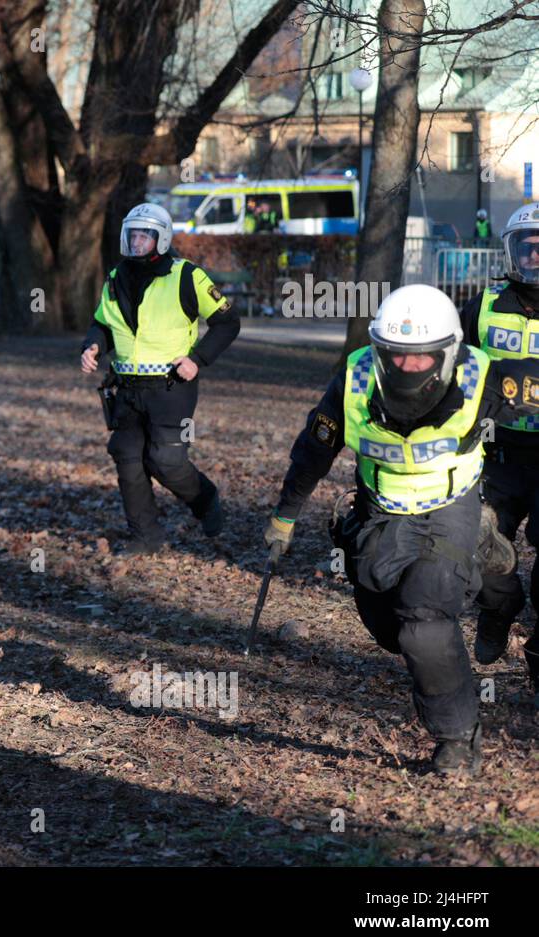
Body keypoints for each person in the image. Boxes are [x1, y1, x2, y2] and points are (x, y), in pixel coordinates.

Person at [264, 283, 539, 776]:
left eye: (423, 358)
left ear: (449, 352)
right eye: (397, 357)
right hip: (380, 513)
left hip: (451, 508)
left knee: (425, 628)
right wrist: (284, 517)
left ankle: (458, 738)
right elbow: (313, 452)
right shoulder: (353, 379)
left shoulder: (482, 377)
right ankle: (482, 563)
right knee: (389, 626)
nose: (409, 368)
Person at [79, 202, 240, 555]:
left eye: (144, 237)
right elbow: (103, 325)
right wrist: (92, 346)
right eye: (132, 236)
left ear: (161, 239)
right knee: (128, 457)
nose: (136, 243)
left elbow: (228, 322)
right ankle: (145, 536)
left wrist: (198, 359)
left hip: (172, 386)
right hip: (126, 388)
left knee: (165, 460)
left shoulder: (187, 276)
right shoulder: (114, 278)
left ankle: (205, 498)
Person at [465, 202, 539, 692]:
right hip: (495, 457)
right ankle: (497, 612)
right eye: (528, 248)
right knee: (483, 551)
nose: (536, 257)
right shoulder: (483, 307)